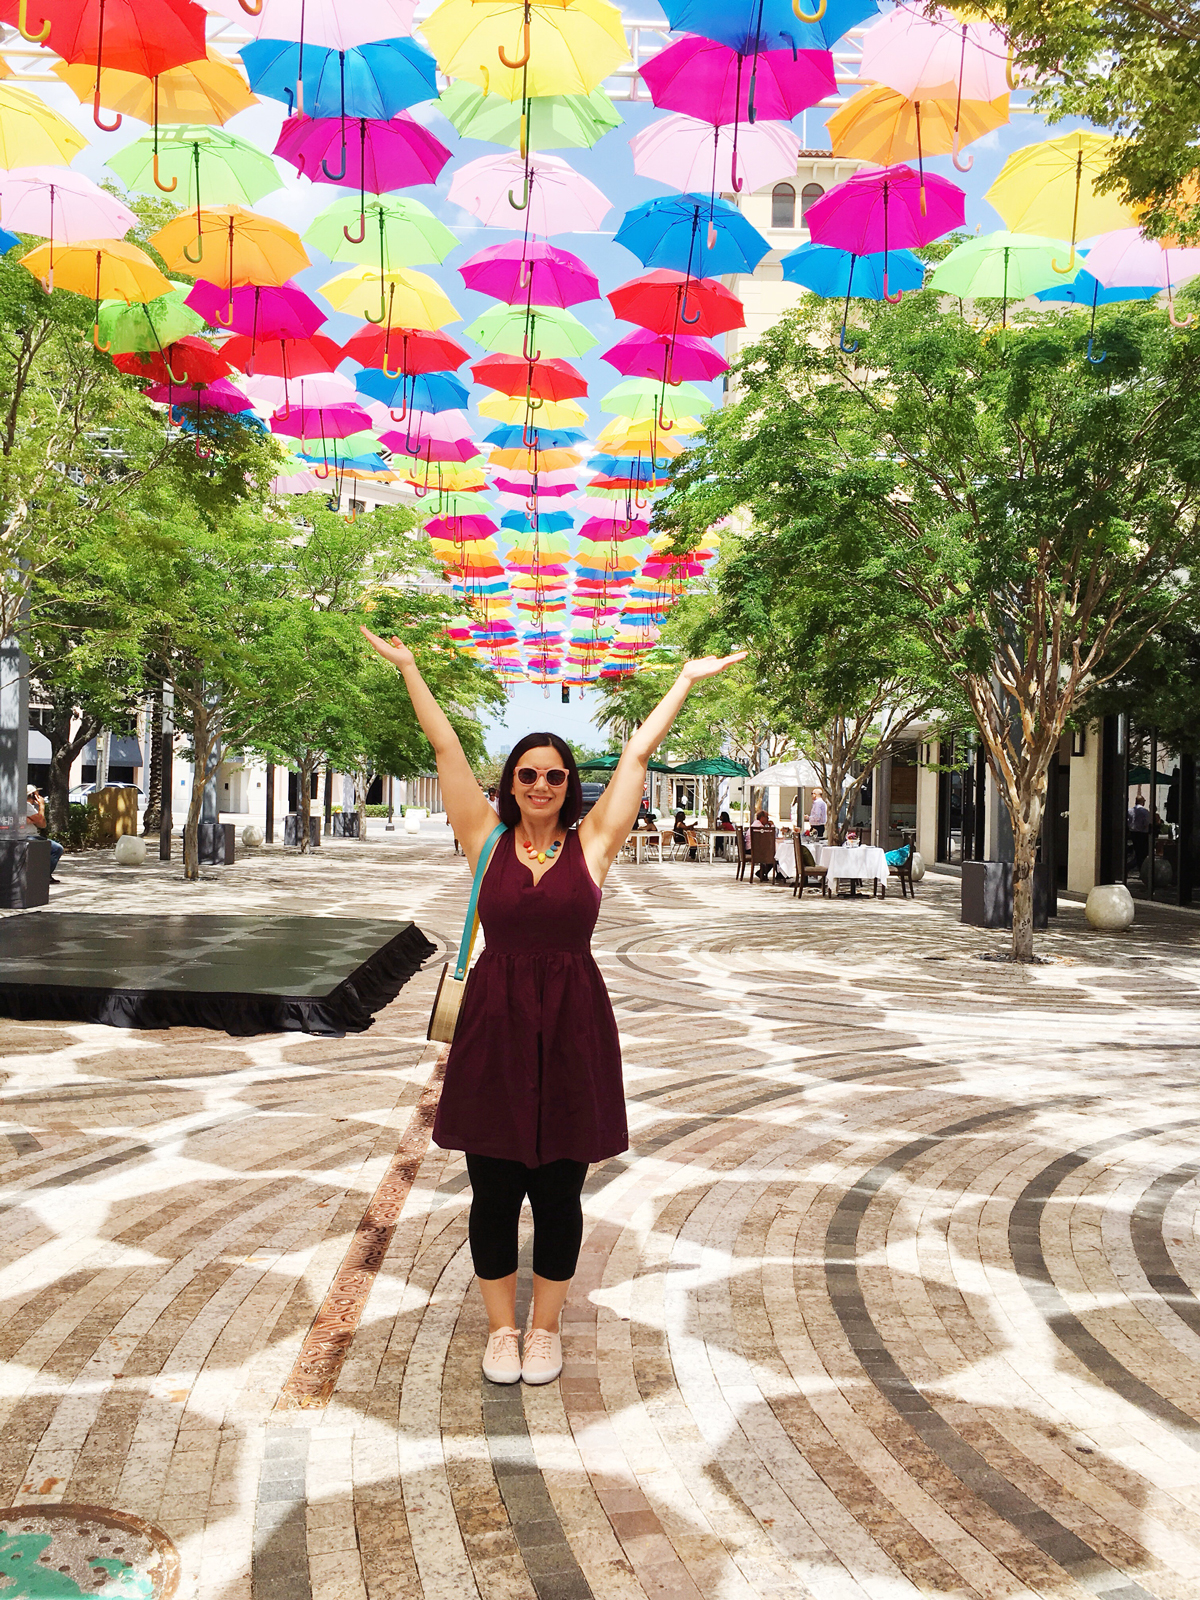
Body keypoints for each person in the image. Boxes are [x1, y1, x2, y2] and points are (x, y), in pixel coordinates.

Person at [361, 623, 745, 1386]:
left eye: (555, 777)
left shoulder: (595, 844)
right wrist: (409, 671)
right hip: (495, 1024)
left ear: (572, 786)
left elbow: (636, 754)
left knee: (561, 1190)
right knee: (494, 1186)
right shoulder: (485, 836)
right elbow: (444, 752)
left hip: (572, 1024)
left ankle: (545, 1330)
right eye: (528, 775)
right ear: (511, 783)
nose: (541, 786)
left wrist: (686, 681)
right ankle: (501, 1331)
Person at [27, 789, 63, 883]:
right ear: (33, 795)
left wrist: (36, 817)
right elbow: (40, 819)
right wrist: (42, 806)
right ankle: (43, 875)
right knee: (56, 849)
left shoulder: (32, 807)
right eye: (37, 793)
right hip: (28, 836)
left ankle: (45, 874)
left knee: (56, 848)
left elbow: (42, 824)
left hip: (34, 835)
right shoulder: (26, 806)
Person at [1129, 792, 1151, 868]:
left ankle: (1136, 865)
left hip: (1133, 833)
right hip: (1142, 834)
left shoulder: (1130, 811)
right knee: (1143, 853)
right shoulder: (1145, 812)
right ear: (1142, 802)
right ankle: (1139, 866)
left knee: (1136, 851)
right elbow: (1147, 823)